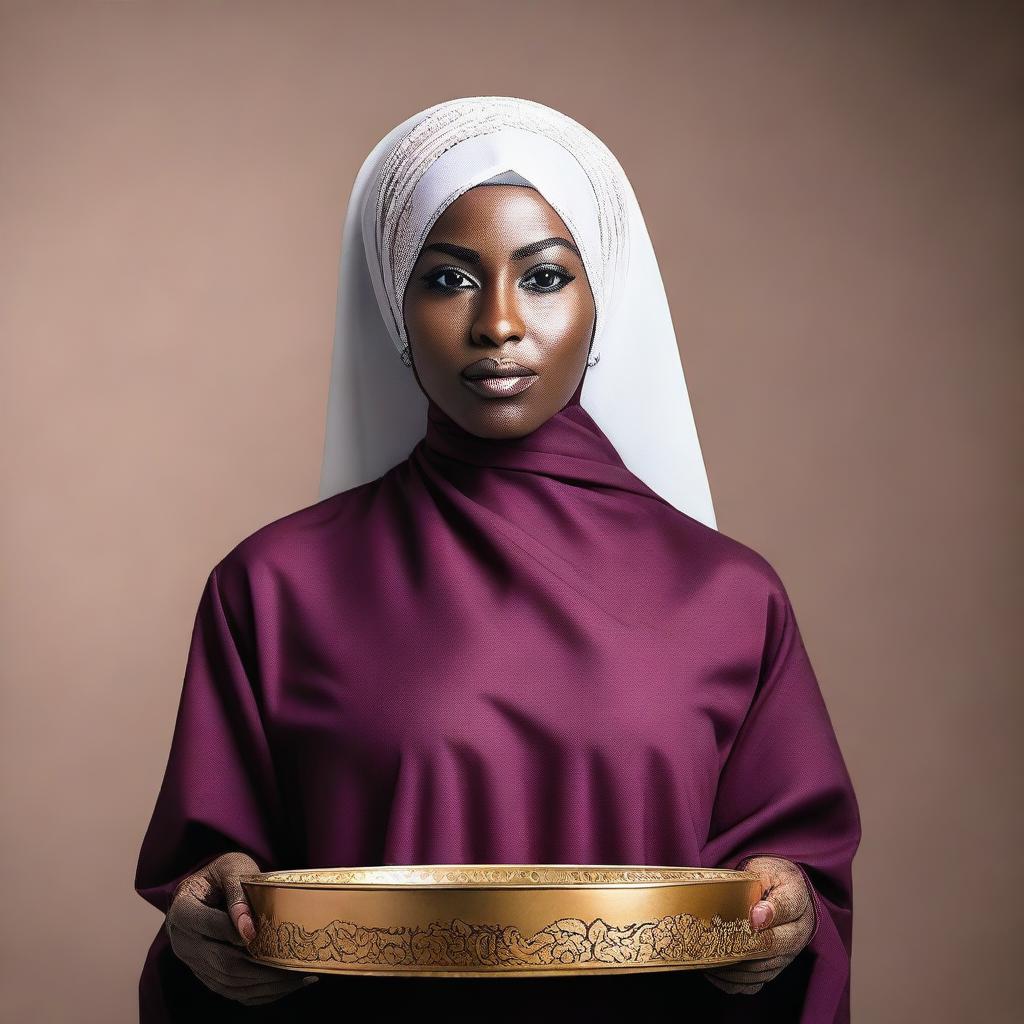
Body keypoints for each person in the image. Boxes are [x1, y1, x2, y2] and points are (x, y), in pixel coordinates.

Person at [135, 96, 861, 1022]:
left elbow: (797, 885)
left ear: (606, 300)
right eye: (447, 281)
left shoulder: (727, 594)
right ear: (393, 302)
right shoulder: (274, 587)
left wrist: (785, 911)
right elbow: (214, 875)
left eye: (547, 276)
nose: (499, 324)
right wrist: (211, 913)